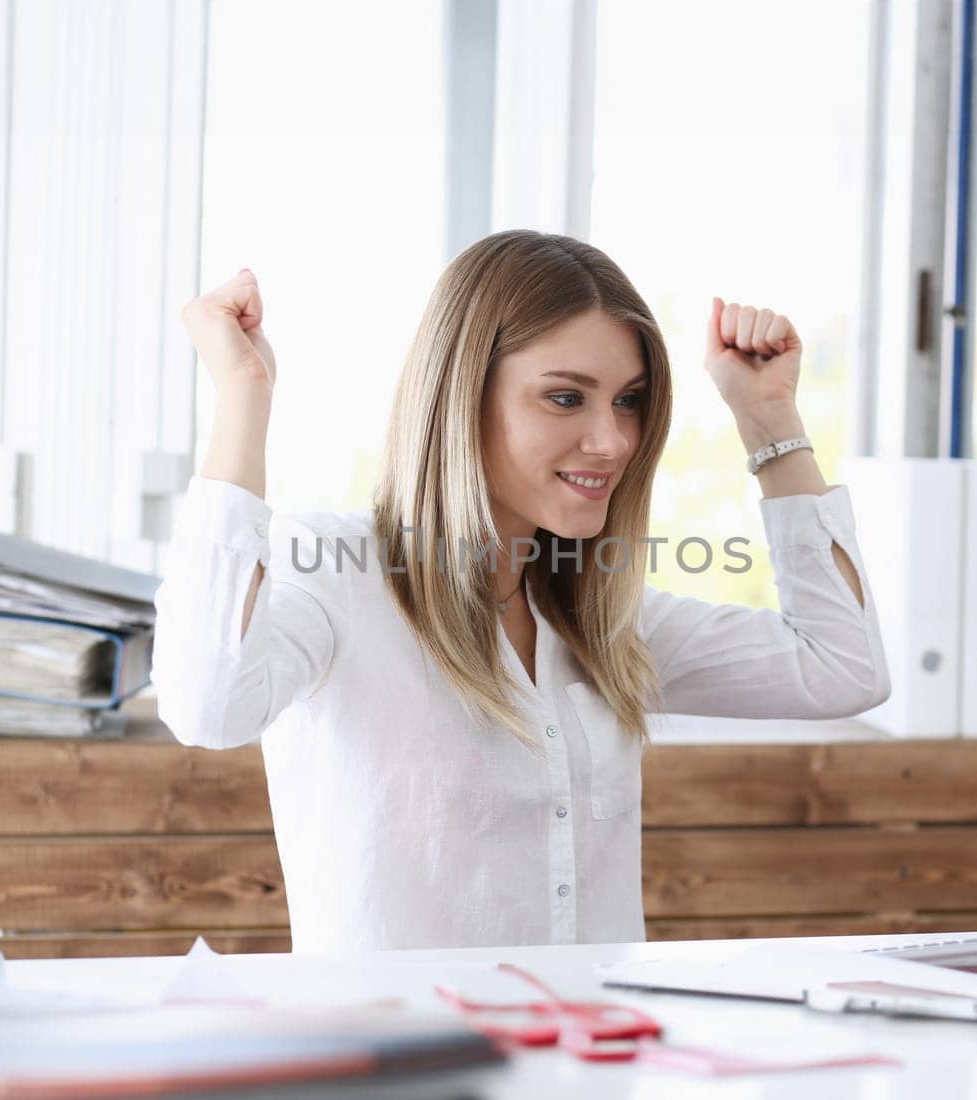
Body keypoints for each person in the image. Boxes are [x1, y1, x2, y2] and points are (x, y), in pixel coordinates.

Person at [151, 229, 890, 953]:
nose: (613, 441)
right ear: (461, 398)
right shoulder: (339, 575)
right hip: (402, 1067)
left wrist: (769, 420)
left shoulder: (602, 617)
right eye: (566, 398)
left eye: (629, 401)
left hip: (585, 1069)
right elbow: (209, 705)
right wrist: (244, 397)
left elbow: (842, 667)